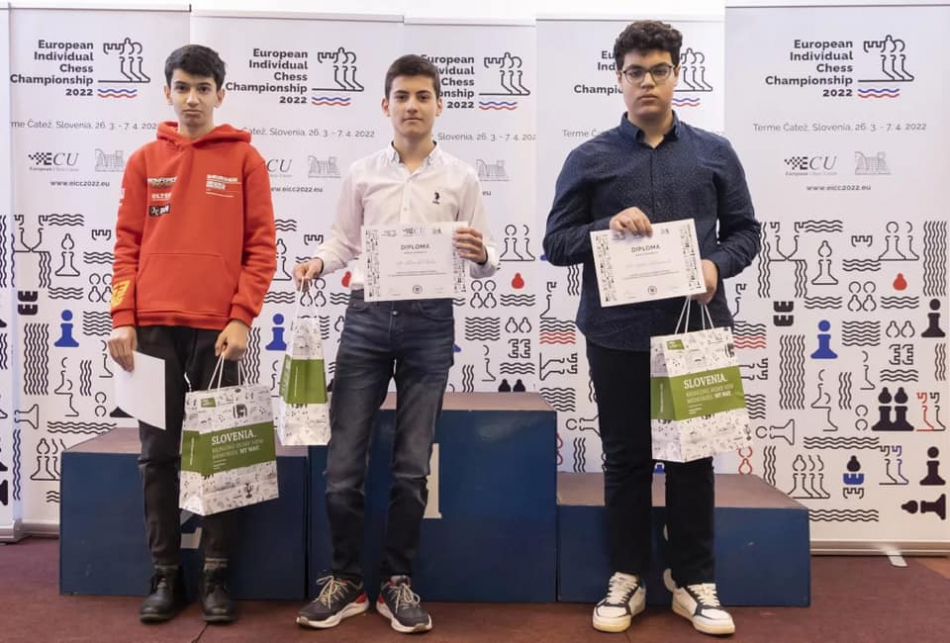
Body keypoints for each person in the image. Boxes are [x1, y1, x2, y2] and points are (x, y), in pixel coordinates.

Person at [543, 20, 760, 637]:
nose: (647, 82)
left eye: (658, 70)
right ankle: (628, 576)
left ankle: (693, 580)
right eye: (635, 71)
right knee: (626, 459)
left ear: (676, 75)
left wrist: (716, 266)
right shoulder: (589, 158)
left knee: (694, 457)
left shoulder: (714, 151)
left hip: (697, 331)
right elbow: (555, 244)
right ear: (619, 79)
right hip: (616, 333)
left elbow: (746, 232)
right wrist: (604, 226)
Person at [293, 54, 498, 634]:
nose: (412, 106)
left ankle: (396, 581)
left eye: (422, 96)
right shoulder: (362, 173)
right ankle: (346, 581)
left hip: (430, 324)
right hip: (366, 318)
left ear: (439, 105)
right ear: (385, 105)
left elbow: (486, 259)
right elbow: (343, 241)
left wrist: (480, 252)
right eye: (402, 96)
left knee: (411, 466)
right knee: (342, 466)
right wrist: (317, 263)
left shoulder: (461, 177)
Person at [107, 44, 276, 625]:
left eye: (203, 88)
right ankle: (165, 575)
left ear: (220, 94)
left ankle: (216, 575)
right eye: (182, 87)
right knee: (157, 456)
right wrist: (122, 317)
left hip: (218, 332)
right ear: (168, 92)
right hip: (151, 330)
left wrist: (242, 316)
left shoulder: (246, 161)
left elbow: (261, 248)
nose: (193, 98)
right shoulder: (143, 160)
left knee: (219, 456)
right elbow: (125, 247)